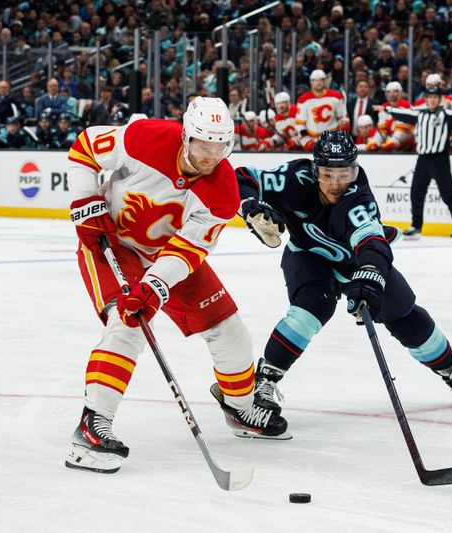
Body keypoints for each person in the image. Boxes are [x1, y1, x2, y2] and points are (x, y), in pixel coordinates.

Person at [63, 98, 289, 475]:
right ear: (186, 136)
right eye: (204, 144)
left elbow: (187, 250)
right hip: (111, 242)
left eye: (221, 146)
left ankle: (239, 405)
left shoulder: (224, 190)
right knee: (128, 324)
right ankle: (92, 425)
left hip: (166, 254)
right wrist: (86, 203)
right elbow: (85, 146)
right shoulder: (145, 137)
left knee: (230, 331)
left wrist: (155, 286)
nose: (211, 155)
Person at [234, 131, 452, 426]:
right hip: (308, 256)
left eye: (344, 174)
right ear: (314, 170)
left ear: (355, 169)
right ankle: (265, 381)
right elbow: (242, 177)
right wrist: (249, 205)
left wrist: (371, 276)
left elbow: (372, 242)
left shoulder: (358, 197)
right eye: (327, 174)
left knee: (403, 314)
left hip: (354, 260)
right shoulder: (293, 178)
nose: (336, 183)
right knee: (311, 309)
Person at [388, 86, 452, 242]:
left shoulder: (447, 114)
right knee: (416, 192)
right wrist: (388, 110)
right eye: (430, 97)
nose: (432, 100)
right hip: (423, 159)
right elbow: (403, 114)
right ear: (426, 99)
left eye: (435, 97)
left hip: (440, 159)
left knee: (448, 194)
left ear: (440, 99)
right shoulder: (420, 114)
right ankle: (416, 226)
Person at [296, 69, 349, 151]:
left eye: (321, 79)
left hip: (332, 138)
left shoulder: (335, 96)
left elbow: (342, 118)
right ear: (311, 82)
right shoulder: (303, 99)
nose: (318, 82)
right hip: (312, 139)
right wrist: (307, 140)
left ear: (325, 81)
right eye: (315, 80)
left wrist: (344, 125)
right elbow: (300, 124)